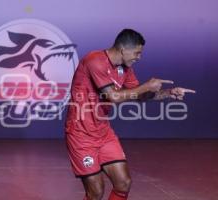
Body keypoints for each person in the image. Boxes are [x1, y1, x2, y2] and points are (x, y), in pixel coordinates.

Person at [65, 29, 195, 200]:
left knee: (123, 183)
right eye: (137, 53)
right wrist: (147, 86)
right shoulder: (94, 60)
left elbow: (138, 95)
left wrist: (168, 93)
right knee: (95, 192)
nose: (139, 57)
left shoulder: (124, 68)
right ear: (123, 49)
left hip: (103, 133)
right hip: (81, 135)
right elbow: (113, 97)